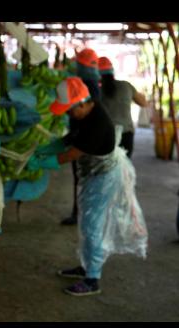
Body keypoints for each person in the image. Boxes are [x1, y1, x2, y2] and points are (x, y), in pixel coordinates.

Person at [28, 77, 148, 296]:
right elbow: (72, 138)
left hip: (104, 177)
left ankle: (93, 278)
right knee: (86, 223)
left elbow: (73, 153)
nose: (68, 114)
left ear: (82, 103)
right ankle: (85, 266)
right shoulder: (82, 114)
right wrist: (50, 147)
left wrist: (47, 161)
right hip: (92, 174)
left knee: (94, 227)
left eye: (70, 109)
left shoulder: (98, 122)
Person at [61, 48, 101, 226]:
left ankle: (81, 214)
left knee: (83, 178)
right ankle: (82, 213)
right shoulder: (93, 84)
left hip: (84, 140)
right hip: (83, 137)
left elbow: (82, 118)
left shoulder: (86, 87)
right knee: (84, 179)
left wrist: (72, 140)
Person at [99, 56, 148, 158]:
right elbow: (143, 103)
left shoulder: (97, 91)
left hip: (105, 135)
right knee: (124, 166)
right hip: (126, 134)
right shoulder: (126, 86)